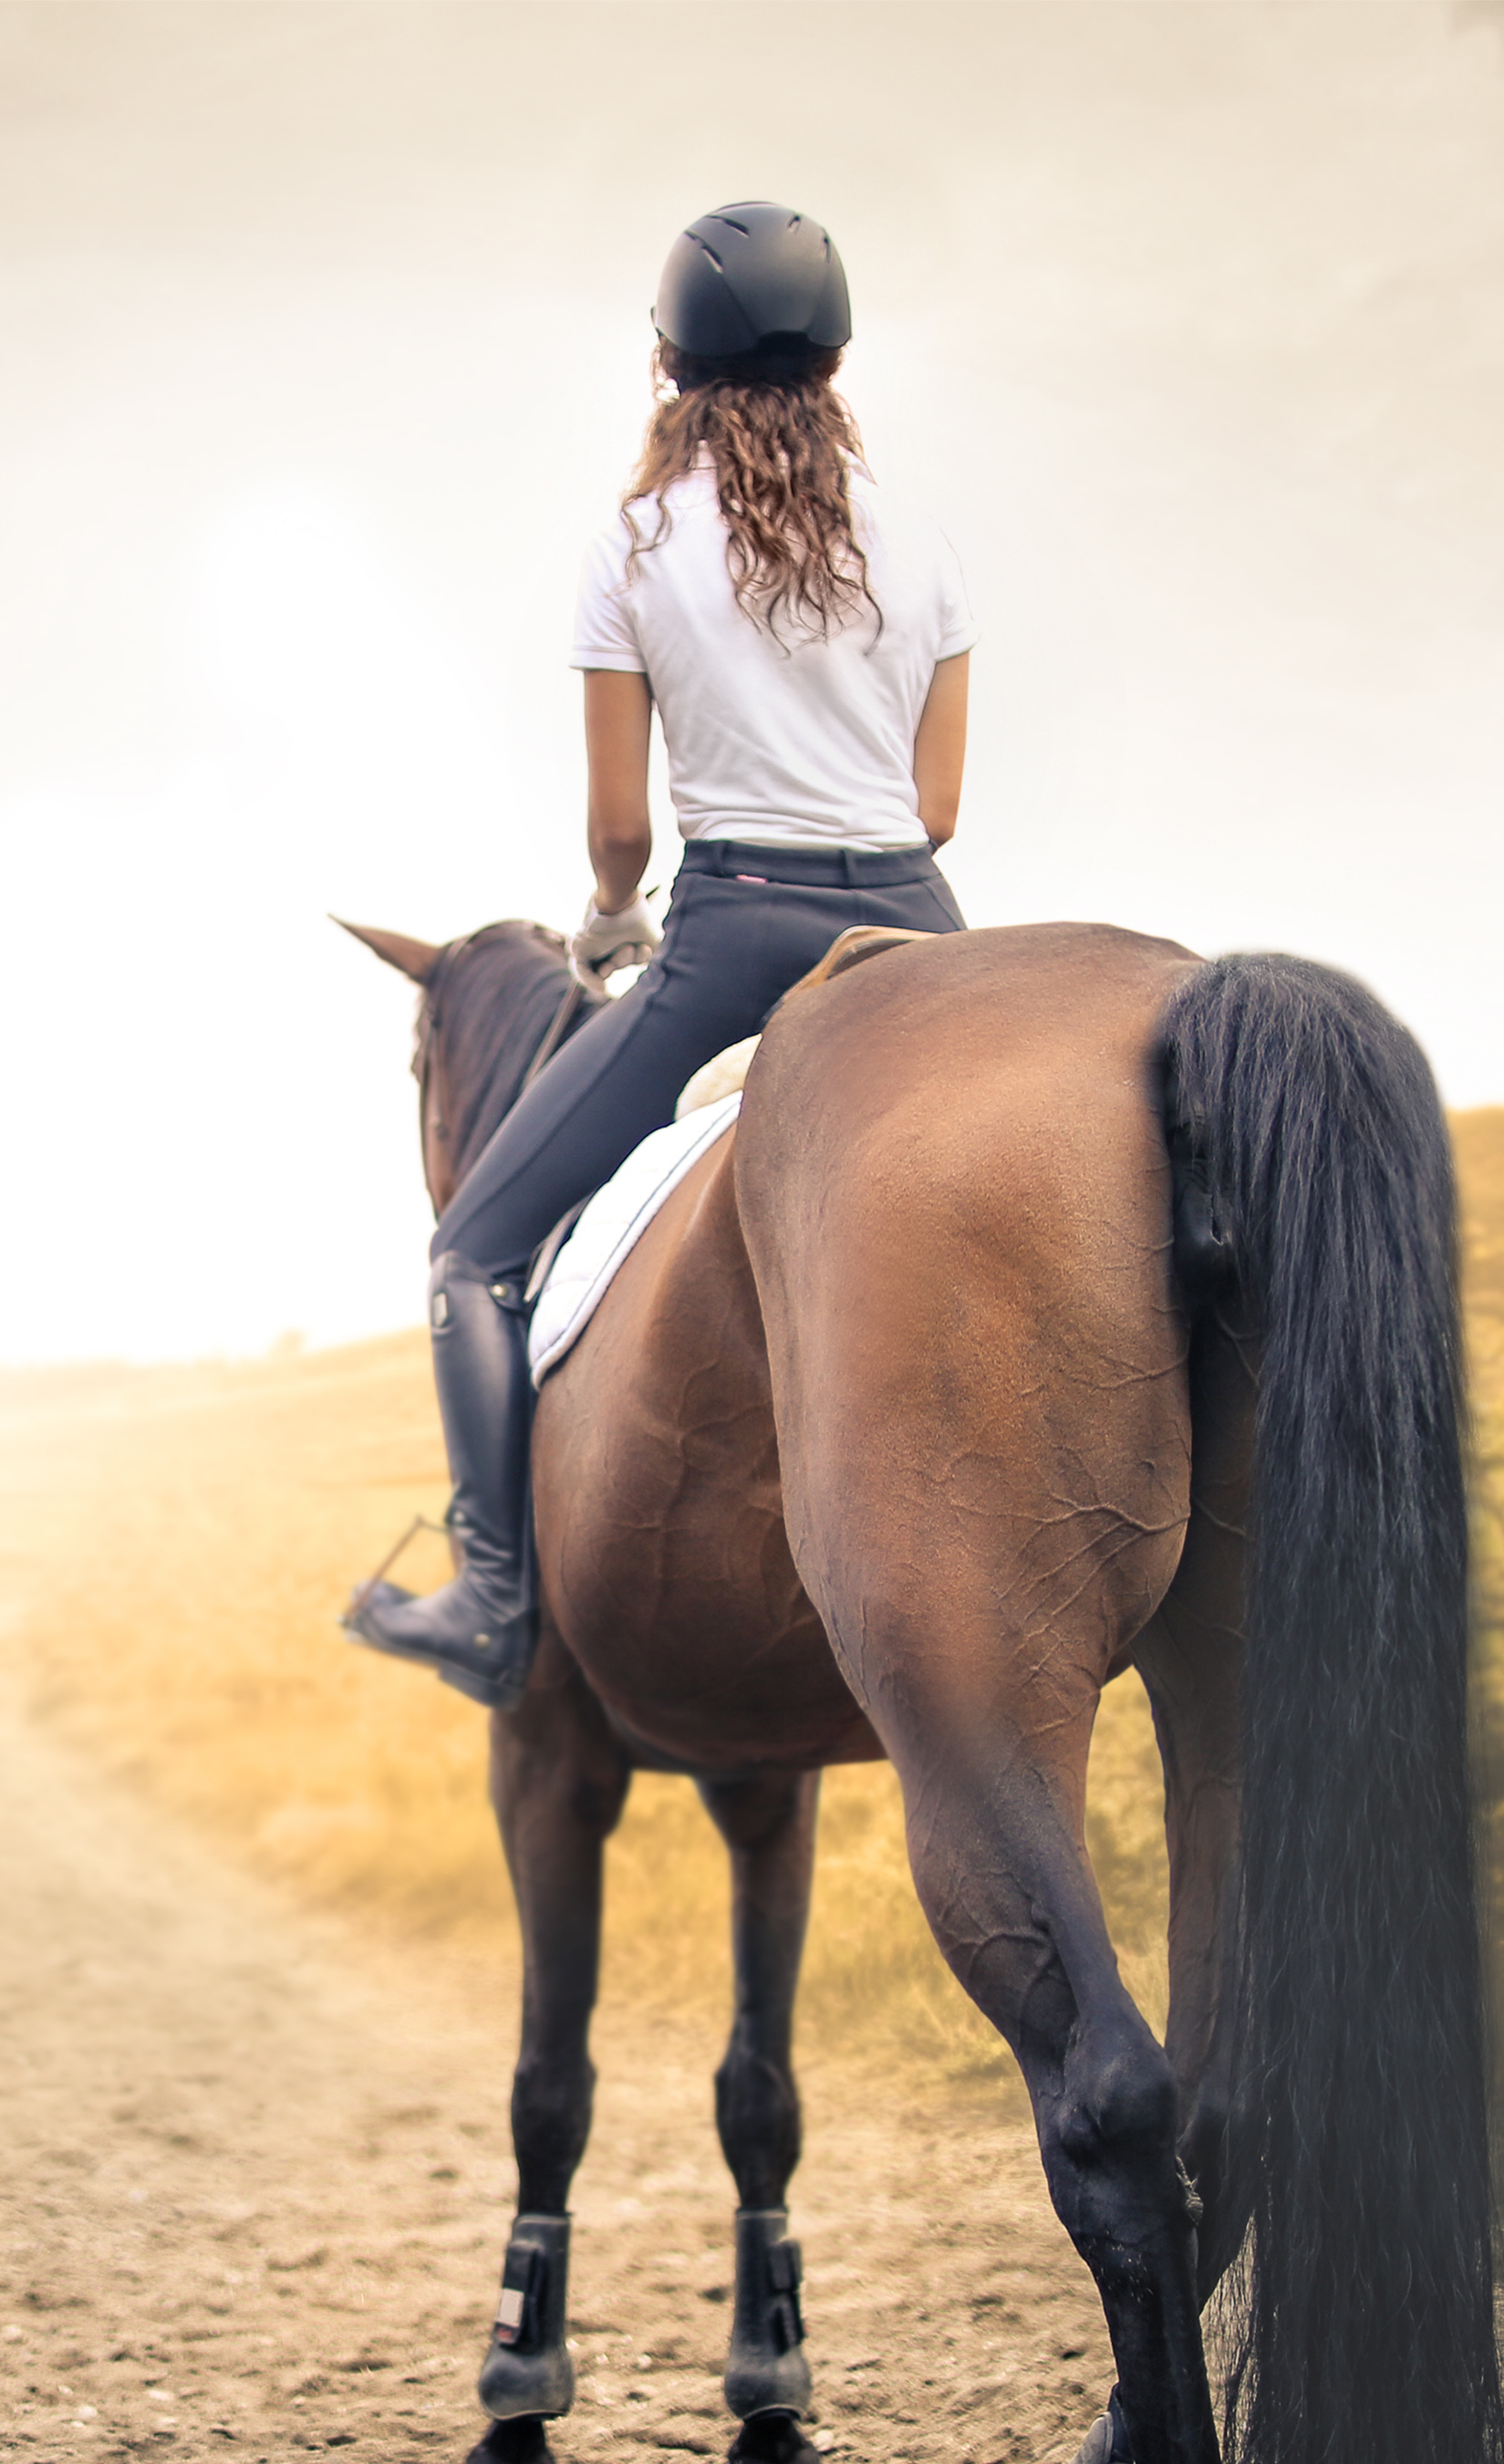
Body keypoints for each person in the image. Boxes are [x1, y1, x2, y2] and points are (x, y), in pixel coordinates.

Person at [345, 199, 974, 1710]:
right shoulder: (923, 546)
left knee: (474, 1254)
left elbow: (621, 831)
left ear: (664, 367)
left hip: (735, 938)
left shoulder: (632, 549)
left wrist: (613, 917)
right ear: (835, 365)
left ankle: (494, 1603)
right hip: (918, 933)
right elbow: (937, 812)